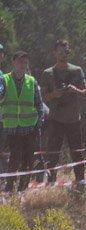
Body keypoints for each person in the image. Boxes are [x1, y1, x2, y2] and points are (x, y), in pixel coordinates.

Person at [40, 39, 86, 186]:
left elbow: (85, 92)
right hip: (56, 119)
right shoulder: (47, 73)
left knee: (77, 152)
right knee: (53, 153)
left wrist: (75, 90)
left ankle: (80, 181)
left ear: (69, 52)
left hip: (74, 119)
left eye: (66, 51)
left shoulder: (77, 70)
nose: (63, 55)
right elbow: (42, 97)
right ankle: (50, 182)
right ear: (55, 53)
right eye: (60, 51)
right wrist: (54, 94)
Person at [1, 51, 45, 192]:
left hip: (30, 127)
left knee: (28, 158)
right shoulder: (4, 79)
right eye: (20, 62)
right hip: (12, 127)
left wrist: (40, 120)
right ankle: (10, 186)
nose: (23, 65)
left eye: (25, 63)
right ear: (13, 63)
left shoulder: (32, 81)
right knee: (14, 157)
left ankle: (23, 186)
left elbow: (39, 103)